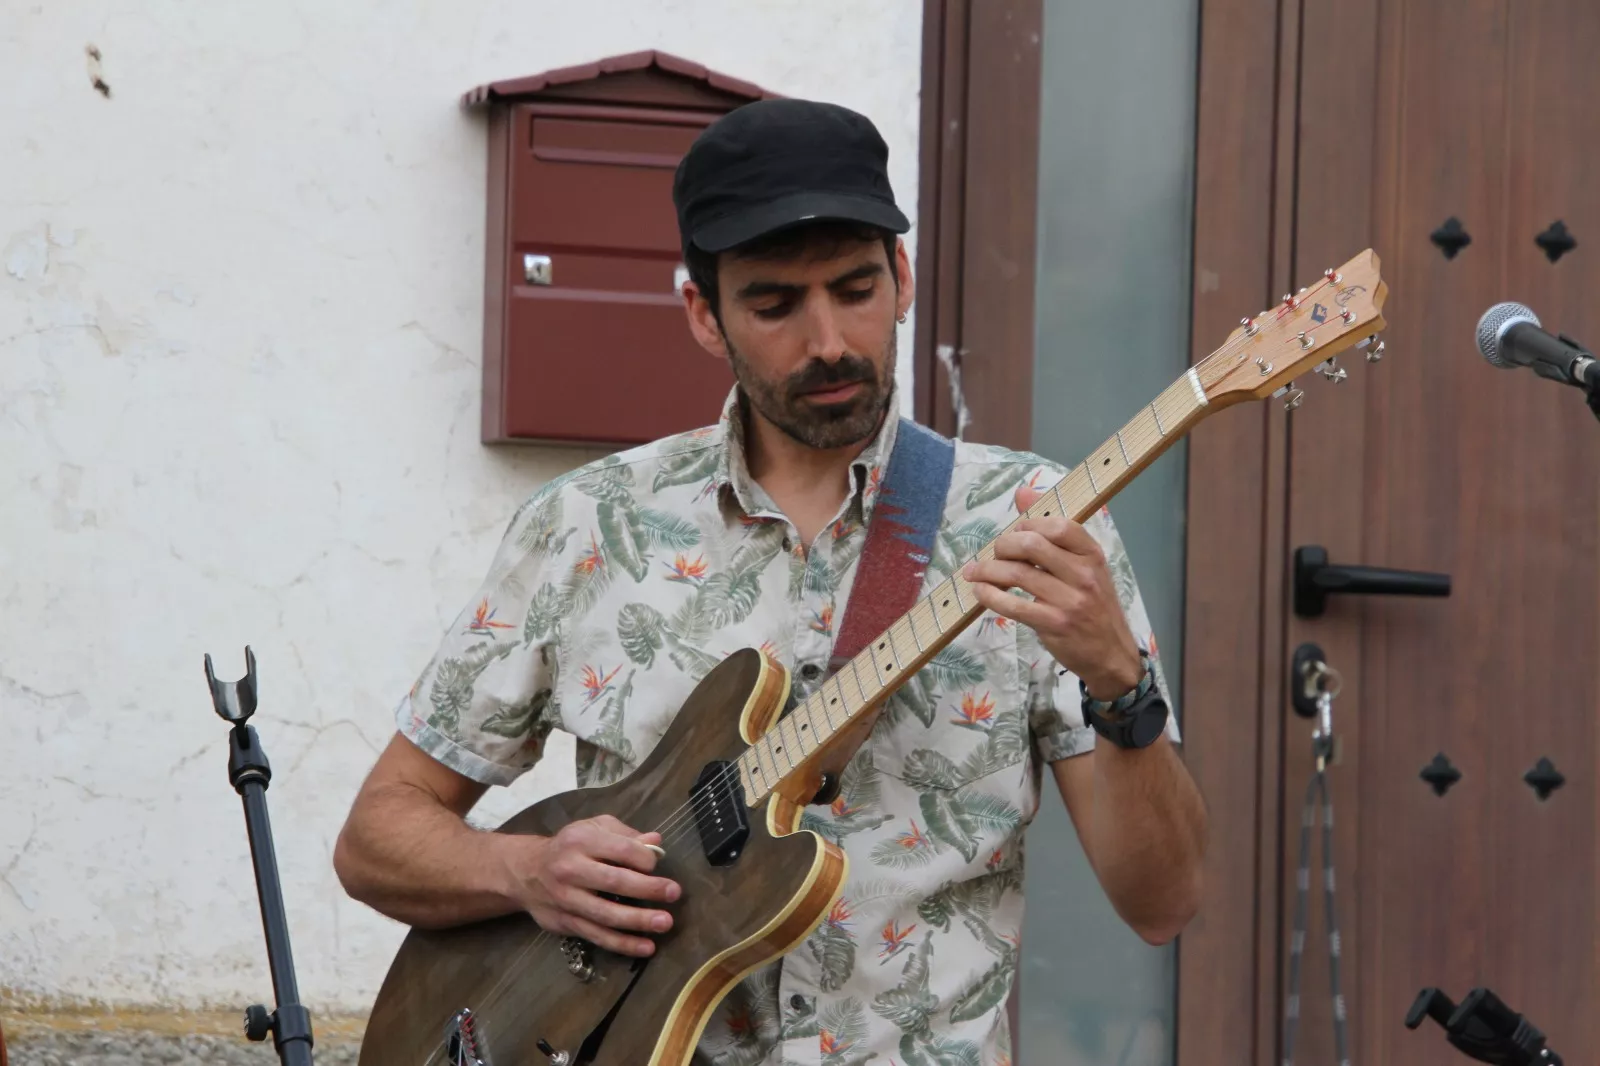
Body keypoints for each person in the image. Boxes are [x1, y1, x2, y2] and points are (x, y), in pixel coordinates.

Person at [334, 97, 1207, 1065]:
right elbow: (378, 833)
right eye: (775, 304)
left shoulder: (1035, 521)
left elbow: (1162, 902)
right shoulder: (589, 525)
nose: (828, 339)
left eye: (855, 287)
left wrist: (1119, 682)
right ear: (704, 314)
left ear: (903, 276)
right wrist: (527, 870)